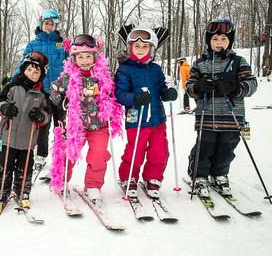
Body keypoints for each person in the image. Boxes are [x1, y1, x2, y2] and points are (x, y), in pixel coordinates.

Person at [49, 34, 124, 206]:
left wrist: (112, 99)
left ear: (95, 56)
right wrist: (63, 100)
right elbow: (53, 92)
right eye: (80, 56)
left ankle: (93, 186)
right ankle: (63, 181)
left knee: (99, 155)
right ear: (73, 58)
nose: (84, 60)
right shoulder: (68, 76)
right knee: (69, 154)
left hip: (100, 125)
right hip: (77, 126)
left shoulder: (105, 74)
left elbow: (118, 90)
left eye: (88, 55)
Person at [186, 19, 257, 197]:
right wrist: (198, 87)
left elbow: (251, 84)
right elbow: (189, 87)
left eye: (223, 39)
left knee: (226, 149)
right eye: (215, 39)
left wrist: (233, 87)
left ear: (230, 41)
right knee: (205, 148)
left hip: (232, 117)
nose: (219, 43)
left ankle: (220, 174)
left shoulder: (238, 62)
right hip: (207, 117)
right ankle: (199, 175)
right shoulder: (200, 63)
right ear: (209, 41)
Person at [115, 26, 177, 198]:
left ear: (151, 49)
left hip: (158, 118)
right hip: (137, 119)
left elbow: (162, 89)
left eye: (145, 47)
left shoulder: (156, 69)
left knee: (159, 151)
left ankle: (153, 178)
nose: (141, 50)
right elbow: (119, 94)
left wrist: (167, 93)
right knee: (136, 150)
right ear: (130, 48)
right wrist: (135, 98)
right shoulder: (124, 69)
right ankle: (129, 178)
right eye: (137, 46)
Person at [0, 51, 52, 211]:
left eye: (37, 71)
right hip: (8, 137)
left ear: (41, 75)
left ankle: (22, 192)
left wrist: (40, 116)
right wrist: (5, 108)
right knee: (5, 167)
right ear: (23, 69)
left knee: (25, 168)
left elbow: (47, 115)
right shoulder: (12, 86)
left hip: (27, 140)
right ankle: (1, 193)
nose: (32, 74)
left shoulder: (42, 95)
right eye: (30, 70)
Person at [13, 10, 68, 171]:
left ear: (56, 25)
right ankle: (41, 156)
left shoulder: (62, 43)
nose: (49, 27)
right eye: (46, 24)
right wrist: (13, 80)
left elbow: (73, 62)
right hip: (42, 90)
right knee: (42, 124)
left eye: (52, 24)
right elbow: (24, 64)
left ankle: (61, 156)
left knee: (61, 125)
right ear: (41, 24)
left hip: (61, 91)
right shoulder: (33, 44)